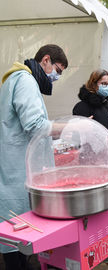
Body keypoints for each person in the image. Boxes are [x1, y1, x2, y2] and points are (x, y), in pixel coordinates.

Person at [0, 44, 68, 270]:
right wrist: (63, 128)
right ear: (45, 60)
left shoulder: (15, 80)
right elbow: (34, 125)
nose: (56, 77)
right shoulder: (26, 80)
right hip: (17, 167)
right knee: (16, 230)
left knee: (13, 230)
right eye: (57, 70)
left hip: (12, 165)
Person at [72, 69, 108, 173]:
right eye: (103, 84)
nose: (107, 87)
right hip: (95, 162)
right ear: (93, 84)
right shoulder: (83, 107)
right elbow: (77, 139)